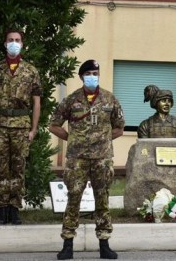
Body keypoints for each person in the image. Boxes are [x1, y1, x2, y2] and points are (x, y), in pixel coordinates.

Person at [49, 59, 125, 260]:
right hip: (77, 159)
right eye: (89, 73)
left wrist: (104, 140)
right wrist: (71, 139)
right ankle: (67, 244)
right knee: (73, 199)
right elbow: (54, 124)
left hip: (102, 158)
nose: (93, 77)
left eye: (96, 73)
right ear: (82, 76)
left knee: (102, 199)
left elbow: (119, 127)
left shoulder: (110, 99)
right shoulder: (71, 100)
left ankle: (104, 244)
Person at [0, 29, 42, 225]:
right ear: (5, 44)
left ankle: (14, 209)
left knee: (18, 168)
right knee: (1, 168)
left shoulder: (31, 71)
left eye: (17, 40)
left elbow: (37, 102)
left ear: (22, 44)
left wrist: (33, 129)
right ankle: (1, 209)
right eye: (10, 40)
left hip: (21, 126)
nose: (13, 43)